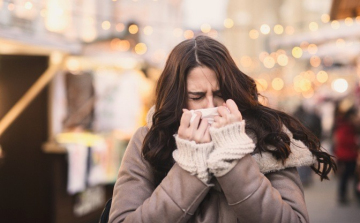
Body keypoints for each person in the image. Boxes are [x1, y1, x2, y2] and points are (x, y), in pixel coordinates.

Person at [109, 35, 336, 222]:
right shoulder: (148, 140)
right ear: (177, 100)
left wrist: (234, 159)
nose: (211, 106)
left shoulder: (268, 134)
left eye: (219, 94)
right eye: (197, 97)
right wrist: (188, 169)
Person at [332, 99, 360, 204]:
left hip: (348, 154)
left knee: (350, 176)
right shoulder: (345, 126)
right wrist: (355, 144)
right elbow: (343, 140)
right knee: (345, 176)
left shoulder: (345, 125)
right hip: (346, 155)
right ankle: (343, 196)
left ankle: (350, 195)